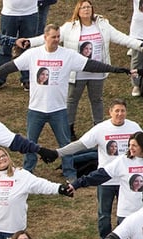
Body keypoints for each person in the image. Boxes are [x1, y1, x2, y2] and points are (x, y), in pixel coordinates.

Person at [0, 24, 136, 181]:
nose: (56, 40)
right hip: (35, 109)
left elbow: (92, 65)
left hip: (59, 110)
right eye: (53, 37)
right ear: (45, 37)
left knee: (65, 144)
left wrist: (116, 69)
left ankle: (70, 172)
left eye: (58, 37)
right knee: (30, 144)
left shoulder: (68, 55)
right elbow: (8, 67)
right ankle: (28, 171)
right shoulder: (33, 54)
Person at [23, 1, 142, 138]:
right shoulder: (69, 27)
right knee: (72, 100)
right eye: (83, 7)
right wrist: (30, 42)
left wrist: (140, 45)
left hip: (97, 72)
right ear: (78, 11)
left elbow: (122, 38)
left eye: (88, 7)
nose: (86, 9)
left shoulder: (103, 25)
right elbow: (48, 37)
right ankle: (69, 129)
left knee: (96, 100)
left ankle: (98, 128)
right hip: (77, 73)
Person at [64, 130, 143, 239]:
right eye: (130, 145)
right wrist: (77, 184)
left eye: (135, 145)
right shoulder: (123, 161)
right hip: (128, 214)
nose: (131, 148)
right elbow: (99, 175)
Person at [52, 99, 141, 239]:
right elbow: (80, 145)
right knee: (104, 215)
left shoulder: (134, 127)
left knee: (128, 214)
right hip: (106, 179)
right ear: (110, 112)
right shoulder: (101, 129)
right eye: (116, 111)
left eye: (122, 111)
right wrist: (57, 153)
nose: (120, 114)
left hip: (127, 182)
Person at [0, 0, 39, 93]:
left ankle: (27, 78)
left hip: (30, 13)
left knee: (27, 47)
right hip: (9, 13)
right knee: (5, 47)